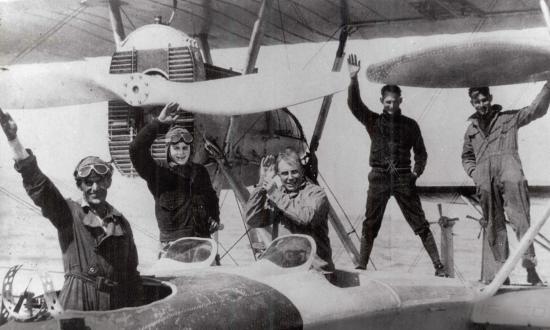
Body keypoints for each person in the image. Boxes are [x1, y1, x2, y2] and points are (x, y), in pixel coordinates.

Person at [0, 108, 143, 311]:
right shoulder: (68, 214)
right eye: (88, 183)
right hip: (77, 304)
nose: (94, 188)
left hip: (114, 308)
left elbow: (131, 273)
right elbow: (40, 186)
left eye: (100, 182)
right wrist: (14, 139)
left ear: (108, 182)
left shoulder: (121, 222)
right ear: (80, 185)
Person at [346, 54, 445, 276]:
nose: (391, 105)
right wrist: (353, 79)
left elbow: (421, 153)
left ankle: (439, 266)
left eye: (395, 101)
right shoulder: (372, 121)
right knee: (370, 224)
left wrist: (415, 174)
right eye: (387, 102)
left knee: (419, 224)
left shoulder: (411, 125)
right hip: (378, 178)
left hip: (403, 179)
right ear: (382, 102)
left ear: (401, 101)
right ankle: (362, 265)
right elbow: (354, 105)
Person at [462, 84, 550, 285]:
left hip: (510, 174)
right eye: (478, 102)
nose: (482, 104)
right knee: (495, 226)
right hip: (485, 181)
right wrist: (475, 174)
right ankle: (503, 272)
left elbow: (535, 110)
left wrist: (548, 86)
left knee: (521, 221)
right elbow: (466, 156)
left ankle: (531, 269)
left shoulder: (508, 118)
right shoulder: (471, 130)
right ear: (472, 103)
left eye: (485, 100)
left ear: (490, 98)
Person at [129, 102, 220, 256]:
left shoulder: (200, 172)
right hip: (173, 249)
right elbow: (136, 149)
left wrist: (215, 217)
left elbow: (211, 198)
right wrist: (159, 123)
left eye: (185, 148)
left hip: (203, 245)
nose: (181, 153)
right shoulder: (157, 173)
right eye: (176, 148)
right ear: (168, 149)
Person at [245, 147, 335, 272]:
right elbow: (252, 220)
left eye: (294, 172)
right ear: (278, 175)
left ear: (302, 171)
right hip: (286, 270)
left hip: (314, 271)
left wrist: (276, 194)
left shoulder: (317, 194)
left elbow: (305, 217)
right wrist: (262, 183)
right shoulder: (278, 195)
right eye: (284, 173)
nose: (290, 177)